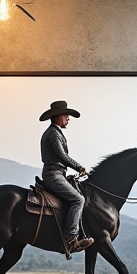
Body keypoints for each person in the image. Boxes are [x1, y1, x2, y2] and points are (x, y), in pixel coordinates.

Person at [38, 100, 94, 253]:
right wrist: (79, 167)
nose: (68, 118)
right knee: (78, 199)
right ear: (58, 116)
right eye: (66, 115)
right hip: (53, 175)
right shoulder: (53, 133)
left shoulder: (54, 132)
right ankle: (70, 239)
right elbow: (62, 156)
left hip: (58, 173)